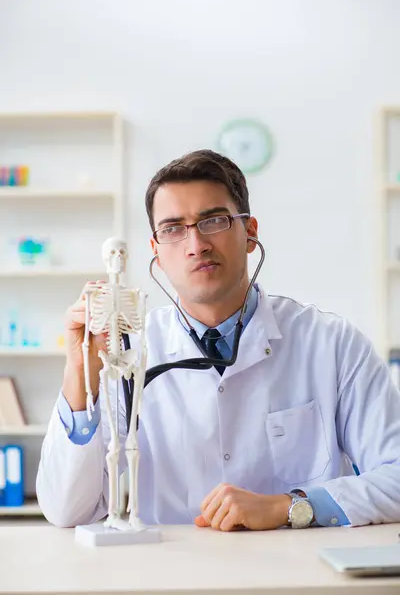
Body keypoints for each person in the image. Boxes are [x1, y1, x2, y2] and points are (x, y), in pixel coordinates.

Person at [37, 149, 400, 532]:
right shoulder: (128, 354)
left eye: (213, 221)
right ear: (156, 253)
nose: (196, 244)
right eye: (173, 228)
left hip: (300, 577)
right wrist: (80, 372)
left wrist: (289, 507)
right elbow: (67, 511)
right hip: (174, 577)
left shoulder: (332, 343)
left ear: (250, 233)